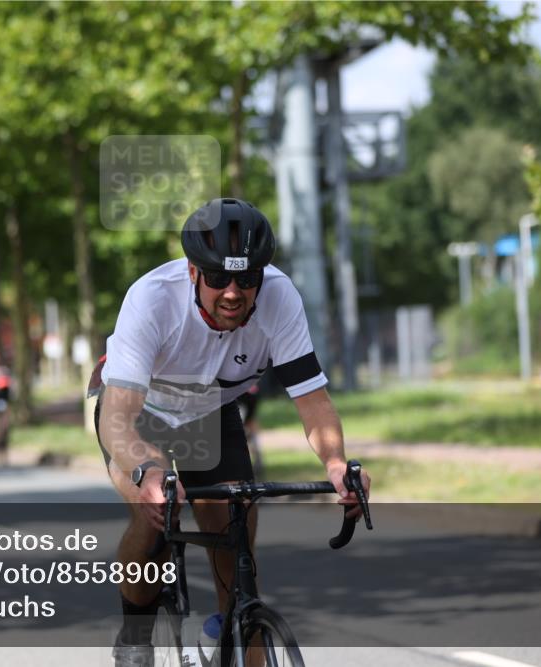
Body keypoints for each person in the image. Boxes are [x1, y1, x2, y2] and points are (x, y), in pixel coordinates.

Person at [90, 198, 371, 667]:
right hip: (138, 417)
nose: (233, 293)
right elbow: (117, 417)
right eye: (218, 278)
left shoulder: (281, 298)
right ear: (193, 273)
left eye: (247, 278)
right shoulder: (152, 298)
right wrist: (147, 472)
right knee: (154, 515)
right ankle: (135, 633)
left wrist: (337, 464)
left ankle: (233, 630)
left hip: (211, 412)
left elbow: (314, 403)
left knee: (236, 549)